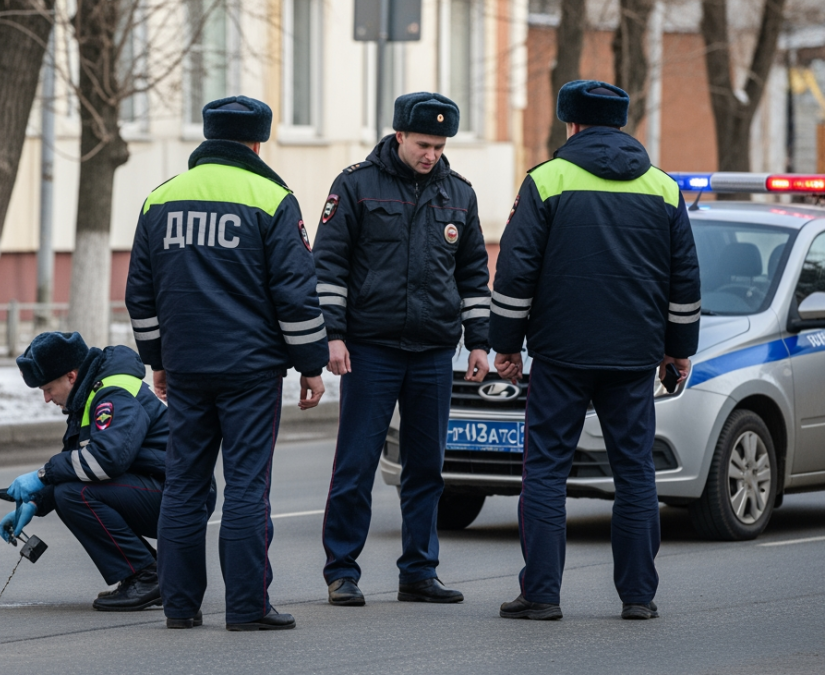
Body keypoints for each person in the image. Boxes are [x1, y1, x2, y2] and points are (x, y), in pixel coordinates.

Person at [491, 80, 701, 621]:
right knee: (635, 473)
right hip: (633, 355)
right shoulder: (664, 188)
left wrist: (506, 346)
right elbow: (684, 282)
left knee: (544, 472)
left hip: (561, 353)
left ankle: (540, 594)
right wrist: (678, 350)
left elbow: (516, 272)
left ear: (572, 124)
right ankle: (638, 596)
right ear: (621, 123)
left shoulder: (547, 180)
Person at [126, 95, 328, 631]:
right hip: (251, 371)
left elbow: (140, 296)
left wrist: (157, 360)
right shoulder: (271, 197)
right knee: (245, 485)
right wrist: (311, 364)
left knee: (185, 484)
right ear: (257, 142)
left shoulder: (160, 198)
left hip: (187, 369)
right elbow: (295, 293)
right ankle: (246, 607)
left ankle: (178, 606)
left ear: (208, 135)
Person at [311, 92, 491, 608]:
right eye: (422, 143)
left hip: (434, 351)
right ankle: (342, 572)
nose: (431, 153)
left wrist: (479, 342)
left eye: (438, 145)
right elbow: (329, 267)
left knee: (426, 469)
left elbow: (474, 275)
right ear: (399, 137)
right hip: (371, 348)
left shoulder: (459, 195)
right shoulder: (355, 186)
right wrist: (334, 334)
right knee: (356, 464)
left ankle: (419, 571)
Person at [2, 332, 199, 611]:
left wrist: (41, 476)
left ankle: (148, 576)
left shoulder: (112, 394)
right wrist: (36, 501)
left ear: (71, 376)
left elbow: (106, 460)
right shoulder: (89, 395)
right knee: (65, 490)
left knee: (72, 494)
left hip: (183, 497)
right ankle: (144, 574)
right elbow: (76, 463)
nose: (46, 398)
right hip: (162, 489)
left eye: (47, 388)